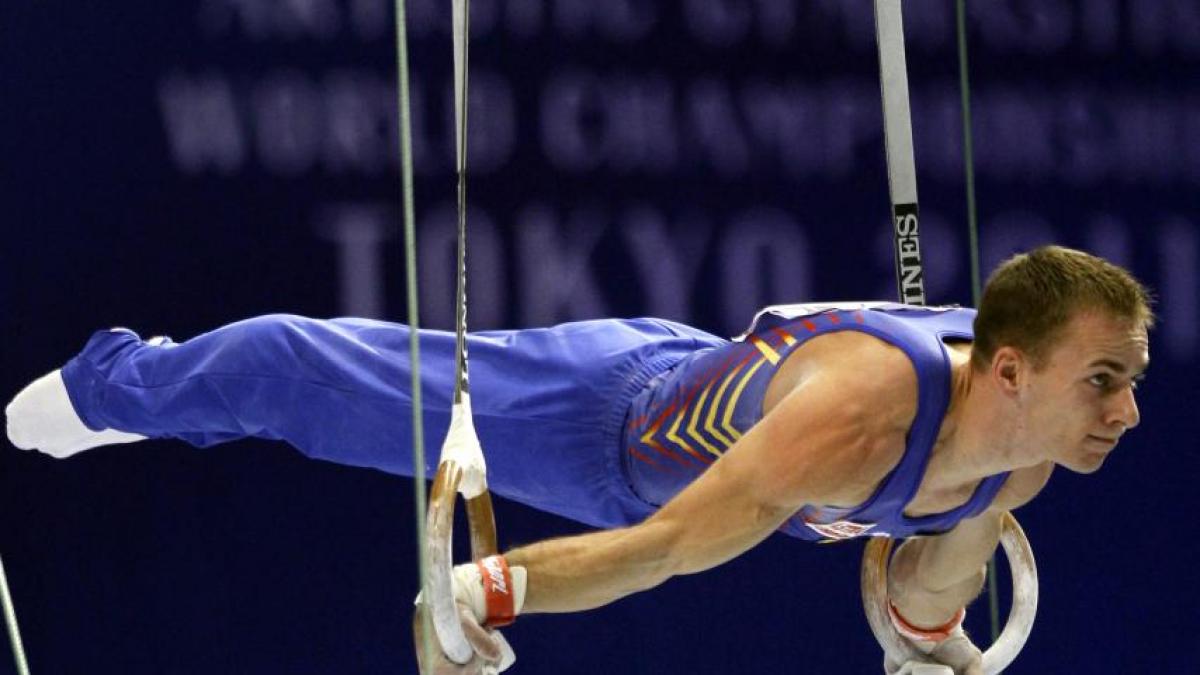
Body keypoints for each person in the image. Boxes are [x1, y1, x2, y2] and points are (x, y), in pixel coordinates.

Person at [5, 246, 1151, 674]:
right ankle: (120, 383)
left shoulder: (1025, 465)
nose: (1129, 411)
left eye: (1133, 378)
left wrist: (929, 641)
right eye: (1104, 381)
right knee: (314, 378)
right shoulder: (854, 419)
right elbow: (659, 553)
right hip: (604, 418)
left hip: (723, 395)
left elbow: (907, 593)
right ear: (1006, 372)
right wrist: (488, 589)